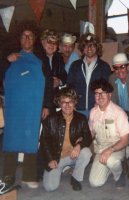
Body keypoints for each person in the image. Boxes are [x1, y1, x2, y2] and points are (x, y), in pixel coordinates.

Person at [1, 21, 53, 193]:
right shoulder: (9, 57)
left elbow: (48, 85)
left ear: (35, 39)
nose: (27, 38)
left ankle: (29, 176)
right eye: (24, 35)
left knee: (31, 139)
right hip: (13, 108)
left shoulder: (41, 60)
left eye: (30, 35)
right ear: (20, 39)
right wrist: (6, 61)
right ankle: (7, 175)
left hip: (33, 107)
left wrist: (46, 105)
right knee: (11, 139)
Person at [40, 86, 93, 191]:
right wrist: (50, 159)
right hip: (57, 157)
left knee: (86, 152)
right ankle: (60, 169)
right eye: (64, 102)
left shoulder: (81, 118)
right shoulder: (51, 119)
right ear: (59, 103)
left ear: (75, 103)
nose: (68, 105)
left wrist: (79, 145)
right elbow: (44, 141)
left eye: (70, 102)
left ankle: (75, 178)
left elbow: (88, 136)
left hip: (74, 155)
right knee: (50, 187)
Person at [89, 78, 129, 189]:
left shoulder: (118, 112)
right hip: (101, 149)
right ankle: (108, 168)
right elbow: (91, 134)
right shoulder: (93, 112)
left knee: (112, 161)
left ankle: (119, 175)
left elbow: (125, 140)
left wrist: (110, 150)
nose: (100, 96)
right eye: (97, 94)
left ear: (110, 95)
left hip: (118, 148)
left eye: (103, 93)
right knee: (95, 183)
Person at [67, 33, 111, 117]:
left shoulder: (104, 66)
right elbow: (70, 86)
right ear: (82, 48)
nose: (89, 48)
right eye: (86, 46)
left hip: (97, 108)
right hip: (78, 109)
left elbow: (107, 89)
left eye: (92, 46)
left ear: (97, 47)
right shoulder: (75, 65)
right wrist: (72, 103)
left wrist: (100, 103)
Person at [40, 29, 67, 113]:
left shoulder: (58, 57)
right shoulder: (37, 58)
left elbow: (64, 75)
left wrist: (59, 81)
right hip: (40, 99)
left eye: (54, 43)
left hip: (54, 100)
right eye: (49, 41)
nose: (52, 45)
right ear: (43, 42)